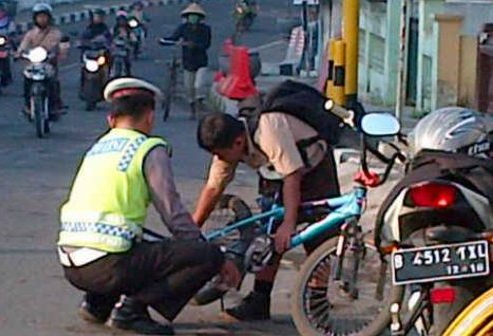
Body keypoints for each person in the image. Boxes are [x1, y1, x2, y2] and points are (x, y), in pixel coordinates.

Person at [58, 77, 239, 335]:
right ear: (150, 117)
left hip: (72, 264)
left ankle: (98, 303)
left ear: (112, 120)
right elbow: (172, 212)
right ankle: (130, 310)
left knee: (144, 247)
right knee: (205, 256)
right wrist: (213, 256)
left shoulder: (98, 147)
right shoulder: (148, 148)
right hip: (108, 265)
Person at [193, 104, 341, 321]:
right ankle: (259, 301)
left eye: (221, 154)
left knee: (318, 237)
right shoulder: (229, 145)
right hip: (274, 173)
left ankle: (317, 308)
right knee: (267, 237)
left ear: (238, 142)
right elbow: (213, 188)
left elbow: (292, 176)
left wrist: (289, 223)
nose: (221, 159)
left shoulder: (269, 130)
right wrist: (190, 229)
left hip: (314, 169)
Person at [16, 3, 67, 115]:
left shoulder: (56, 33)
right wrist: (19, 53)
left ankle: (56, 104)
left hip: (49, 62)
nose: (42, 19)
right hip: (33, 63)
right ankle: (28, 104)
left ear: (49, 18)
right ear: (35, 18)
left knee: (53, 81)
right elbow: (23, 45)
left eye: (44, 17)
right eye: (39, 17)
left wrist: (61, 52)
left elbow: (62, 45)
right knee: (26, 79)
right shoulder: (31, 34)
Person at [164, 3, 211, 119]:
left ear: (199, 18)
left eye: (195, 16)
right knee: (188, 88)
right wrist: (164, 40)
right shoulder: (183, 28)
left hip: (201, 62)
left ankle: (200, 104)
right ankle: (192, 110)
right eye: (191, 16)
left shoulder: (205, 29)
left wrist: (194, 45)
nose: (193, 18)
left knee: (198, 86)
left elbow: (206, 44)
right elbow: (174, 37)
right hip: (188, 62)